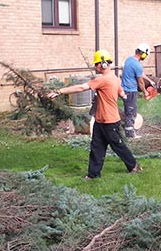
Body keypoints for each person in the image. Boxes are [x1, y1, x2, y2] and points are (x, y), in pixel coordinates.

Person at [49, 50, 140, 180]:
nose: (95, 67)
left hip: (110, 121)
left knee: (117, 145)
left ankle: (133, 166)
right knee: (97, 148)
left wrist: (59, 91)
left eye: (96, 64)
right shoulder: (114, 78)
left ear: (103, 64)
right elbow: (122, 93)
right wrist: (124, 97)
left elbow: (81, 88)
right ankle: (93, 174)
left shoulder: (102, 79)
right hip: (100, 120)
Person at [121, 43, 155, 138]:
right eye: (146, 55)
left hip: (124, 89)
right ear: (143, 54)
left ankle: (127, 130)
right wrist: (145, 92)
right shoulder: (137, 65)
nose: (145, 57)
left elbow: (140, 73)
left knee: (129, 110)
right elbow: (140, 82)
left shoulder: (129, 60)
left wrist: (150, 80)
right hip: (130, 90)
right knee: (131, 112)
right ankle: (130, 134)